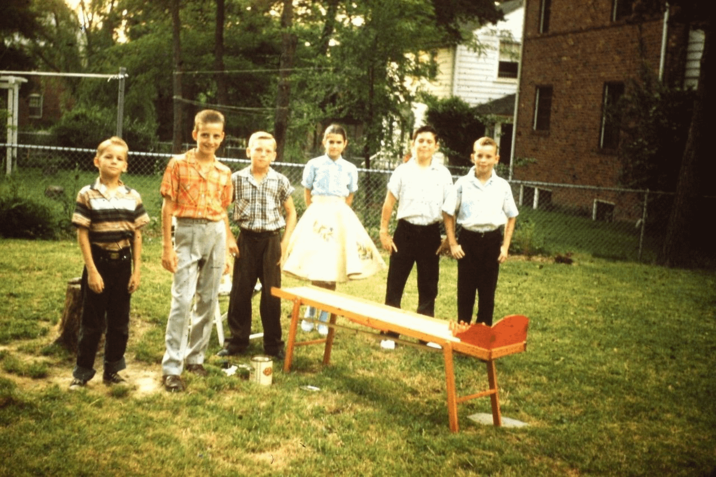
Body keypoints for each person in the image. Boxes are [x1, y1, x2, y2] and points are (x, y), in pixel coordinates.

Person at [159, 109, 238, 392]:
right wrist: (167, 247)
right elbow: (167, 207)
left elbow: (223, 210)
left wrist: (226, 249)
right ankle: (172, 367)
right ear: (195, 134)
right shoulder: (178, 164)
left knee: (208, 299)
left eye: (215, 136)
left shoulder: (224, 172)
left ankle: (196, 358)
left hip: (215, 234)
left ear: (222, 137)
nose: (210, 141)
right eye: (205, 135)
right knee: (182, 300)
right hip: (187, 232)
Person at [283, 124, 385, 335]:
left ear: (345, 144)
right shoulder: (314, 164)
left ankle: (324, 314)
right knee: (317, 263)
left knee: (333, 264)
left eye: (339, 142)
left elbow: (350, 194)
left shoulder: (350, 168)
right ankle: (311, 309)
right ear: (324, 142)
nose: (334, 146)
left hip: (339, 214)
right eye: (331, 141)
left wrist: (340, 212)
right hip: (318, 213)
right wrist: (314, 210)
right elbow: (308, 190)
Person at [69, 137, 150, 390]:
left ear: (125, 165)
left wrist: (136, 271)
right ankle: (82, 373)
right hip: (98, 263)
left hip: (123, 265)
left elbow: (137, 235)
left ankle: (113, 369)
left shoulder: (132, 196)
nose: (114, 161)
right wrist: (92, 271)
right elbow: (83, 234)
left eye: (119, 158)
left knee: (119, 322)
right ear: (97, 161)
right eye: (108, 157)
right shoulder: (87, 194)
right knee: (92, 322)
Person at [217, 132, 297, 359]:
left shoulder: (280, 180)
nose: (262, 154)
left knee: (271, 294)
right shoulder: (236, 179)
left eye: (267, 151)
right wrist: (229, 238)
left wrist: (284, 243)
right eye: (258, 149)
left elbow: (291, 212)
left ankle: (273, 344)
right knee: (240, 292)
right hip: (246, 241)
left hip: (271, 241)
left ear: (274, 155)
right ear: (248, 151)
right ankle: (237, 341)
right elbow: (222, 208)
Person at [379, 125, 454, 349]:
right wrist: (384, 231)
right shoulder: (402, 171)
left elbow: (449, 208)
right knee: (395, 283)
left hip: (431, 233)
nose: (424, 145)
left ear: (436, 146)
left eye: (429, 141)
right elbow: (389, 203)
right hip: (405, 232)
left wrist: (449, 238)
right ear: (413, 144)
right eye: (420, 140)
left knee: (429, 285)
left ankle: (426, 334)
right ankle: (389, 333)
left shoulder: (443, 174)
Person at [441, 137, 518, 327]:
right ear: (472, 157)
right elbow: (448, 212)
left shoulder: (502, 186)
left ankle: (483, 331)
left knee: (487, 292)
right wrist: (453, 243)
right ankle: (463, 329)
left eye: (488, 156)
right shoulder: (462, 184)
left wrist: (505, 246)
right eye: (479, 155)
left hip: (492, 241)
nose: (483, 160)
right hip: (468, 240)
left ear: (496, 159)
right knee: (465, 290)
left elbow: (511, 216)